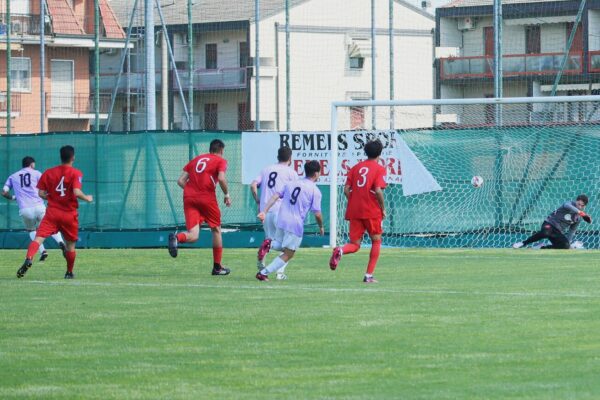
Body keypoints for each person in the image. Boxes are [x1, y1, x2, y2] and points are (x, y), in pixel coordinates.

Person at [17, 146, 93, 279]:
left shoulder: (48, 172)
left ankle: (29, 258)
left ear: (61, 157)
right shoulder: (76, 173)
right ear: (73, 157)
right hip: (69, 214)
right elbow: (76, 191)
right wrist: (87, 198)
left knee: (38, 238)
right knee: (70, 245)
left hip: (52, 213)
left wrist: (51, 197)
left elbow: (40, 193)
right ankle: (69, 272)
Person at [168, 139, 232, 276]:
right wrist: (226, 194)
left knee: (193, 235)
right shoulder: (220, 160)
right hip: (206, 197)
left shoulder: (197, 159)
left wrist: (192, 191)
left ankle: (176, 238)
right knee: (216, 230)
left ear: (210, 149)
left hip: (189, 197)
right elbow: (221, 178)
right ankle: (217, 267)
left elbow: (180, 181)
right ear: (221, 150)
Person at [329, 140, 387, 283]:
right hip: (371, 210)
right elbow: (378, 190)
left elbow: (346, 190)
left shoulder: (355, 168)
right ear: (380, 153)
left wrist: (354, 201)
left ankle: (340, 250)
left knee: (354, 244)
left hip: (355, 210)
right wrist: (383, 208)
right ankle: (368, 276)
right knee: (376, 241)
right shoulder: (380, 169)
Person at [255, 160, 324, 281]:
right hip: (294, 224)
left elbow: (275, 196)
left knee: (283, 246)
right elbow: (317, 214)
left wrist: (264, 211)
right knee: (289, 253)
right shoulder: (315, 190)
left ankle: (269, 245)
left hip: (282, 220)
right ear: (317, 173)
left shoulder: (290, 184)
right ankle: (264, 272)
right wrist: (321, 226)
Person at [3, 156, 66, 261]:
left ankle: (43, 251)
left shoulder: (13, 176)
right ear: (32, 164)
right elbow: (46, 188)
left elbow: (4, 192)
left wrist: (14, 197)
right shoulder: (37, 173)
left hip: (25, 209)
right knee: (51, 227)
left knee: (32, 230)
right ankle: (61, 243)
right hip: (39, 206)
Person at [250, 146, 298, 278]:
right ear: (290, 158)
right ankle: (280, 273)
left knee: (270, 240)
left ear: (278, 157)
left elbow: (253, 185)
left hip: (266, 211)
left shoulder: (266, 169)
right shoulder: (291, 173)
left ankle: (262, 265)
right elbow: (295, 193)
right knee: (288, 246)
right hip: (281, 212)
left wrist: (258, 200)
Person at [513, 194, 592, 249]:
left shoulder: (578, 218)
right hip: (549, 224)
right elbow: (566, 205)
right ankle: (523, 243)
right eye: (579, 204)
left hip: (557, 231)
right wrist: (581, 213)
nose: (580, 206)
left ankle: (542, 247)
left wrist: (568, 243)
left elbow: (572, 231)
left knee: (565, 246)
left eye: (582, 206)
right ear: (576, 201)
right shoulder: (569, 204)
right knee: (545, 233)